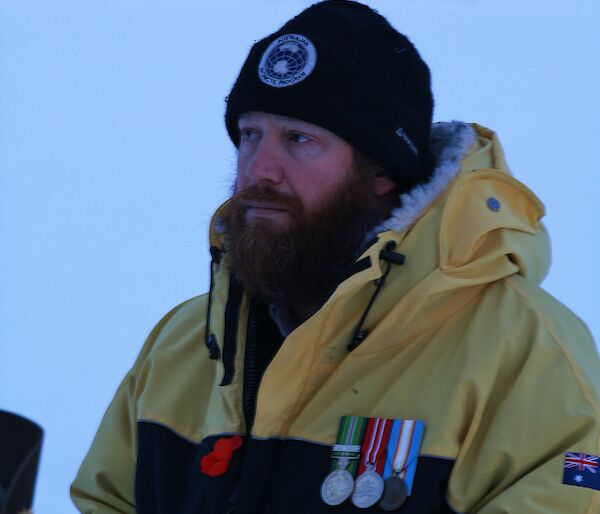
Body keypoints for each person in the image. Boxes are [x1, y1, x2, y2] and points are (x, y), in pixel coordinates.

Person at [71, 1, 600, 512]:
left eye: (299, 139)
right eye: (250, 135)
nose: (259, 169)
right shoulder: (182, 346)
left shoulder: (526, 354)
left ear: (382, 170)